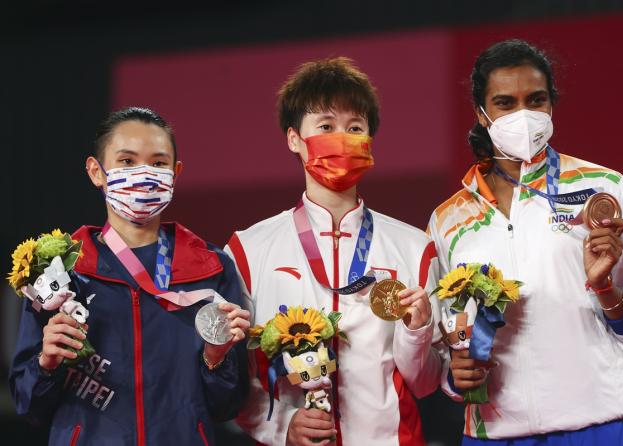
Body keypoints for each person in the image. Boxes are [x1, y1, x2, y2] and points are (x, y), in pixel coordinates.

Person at [428, 38, 623, 444]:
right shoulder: (447, 220)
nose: (523, 115)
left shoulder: (604, 190)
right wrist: (454, 374)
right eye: (505, 103)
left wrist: (606, 288)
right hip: (495, 433)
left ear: (552, 104)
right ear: (481, 113)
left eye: (535, 100)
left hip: (598, 426)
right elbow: (442, 343)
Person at [226, 57, 442, 446]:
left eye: (354, 128)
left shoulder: (414, 248)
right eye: (325, 126)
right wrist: (280, 427)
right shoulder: (247, 249)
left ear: (369, 141)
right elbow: (236, 374)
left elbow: (425, 384)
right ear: (294, 138)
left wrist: (416, 330)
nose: (341, 138)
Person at [10, 107, 250, 445]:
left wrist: (216, 359)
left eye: (158, 163)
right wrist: (46, 364)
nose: (144, 174)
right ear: (97, 171)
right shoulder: (58, 271)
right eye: (126, 161)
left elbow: (227, 407)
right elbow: (28, 407)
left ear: (175, 173)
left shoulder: (211, 269)